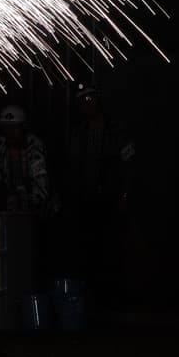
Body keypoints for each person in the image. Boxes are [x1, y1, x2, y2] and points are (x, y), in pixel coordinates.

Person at [61, 84, 136, 305]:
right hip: (85, 200)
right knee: (87, 249)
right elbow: (71, 167)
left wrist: (124, 194)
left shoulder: (115, 129)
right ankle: (92, 297)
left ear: (98, 100)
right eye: (83, 100)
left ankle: (113, 295)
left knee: (111, 247)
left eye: (90, 98)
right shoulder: (77, 133)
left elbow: (129, 164)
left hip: (110, 199)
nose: (88, 103)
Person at [0, 106, 49, 214]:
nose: (10, 132)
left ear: (23, 127)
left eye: (14, 128)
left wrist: (26, 201)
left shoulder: (34, 146)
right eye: (7, 128)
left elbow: (42, 188)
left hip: (41, 212)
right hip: (12, 211)